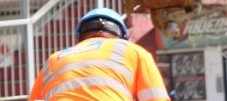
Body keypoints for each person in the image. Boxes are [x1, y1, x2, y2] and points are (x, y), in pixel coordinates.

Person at [28, 7, 170, 101]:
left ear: (79, 37)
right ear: (121, 35)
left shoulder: (55, 59)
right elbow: (156, 98)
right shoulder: (133, 51)